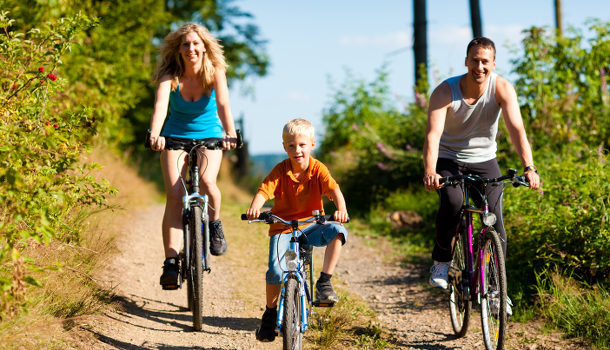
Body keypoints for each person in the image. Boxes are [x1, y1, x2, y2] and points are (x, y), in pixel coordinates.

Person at [422, 37, 541, 315]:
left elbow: (516, 130)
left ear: (493, 64)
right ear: (466, 61)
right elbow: (432, 136)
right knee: (451, 203)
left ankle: (498, 291)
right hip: (449, 159)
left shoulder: (501, 88)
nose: (479, 66)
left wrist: (529, 167)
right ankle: (441, 260)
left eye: (485, 61)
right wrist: (430, 170)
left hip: (485, 160)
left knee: (495, 221)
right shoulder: (444, 91)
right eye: (474, 60)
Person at [148, 23, 238, 289]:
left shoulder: (215, 73)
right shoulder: (170, 75)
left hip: (209, 136)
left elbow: (223, 105)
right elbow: (160, 107)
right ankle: (171, 263)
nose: (191, 49)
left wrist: (230, 133)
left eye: (196, 43)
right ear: (178, 48)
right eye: (186, 44)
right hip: (174, 136)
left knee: (208, 183)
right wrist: (155, 133)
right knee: (175, 195)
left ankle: (216, 225)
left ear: (204, 47)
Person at [245, 119, 349, 342]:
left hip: (311, 225)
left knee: (338, 231)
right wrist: (255, 207)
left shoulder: (317, 169)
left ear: (312, 144)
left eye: (302, 144)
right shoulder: (281, 169)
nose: (297, 150)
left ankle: (324, 281)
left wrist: (341, 209)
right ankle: (270, 314)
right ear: (284, 147)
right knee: (274, 271)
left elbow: (333, 189)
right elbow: (264, 191)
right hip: (282, 227)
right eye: (291, 145)